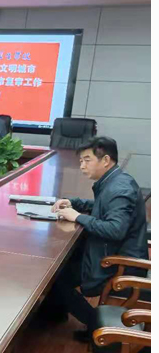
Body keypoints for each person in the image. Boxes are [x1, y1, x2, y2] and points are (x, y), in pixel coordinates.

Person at [44, 137, 148, 342]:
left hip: (121, 262)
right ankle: (56, 314)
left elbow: (115, 229)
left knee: (56, 277)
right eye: (80, 161)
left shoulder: (119, 189)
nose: (82, 166)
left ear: (106, 160)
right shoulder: (114, 180)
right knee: (63, 267)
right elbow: (103, 207)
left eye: (87, 160)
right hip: (110, 250)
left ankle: (98, 326)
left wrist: (77, 217)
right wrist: (75, 203)